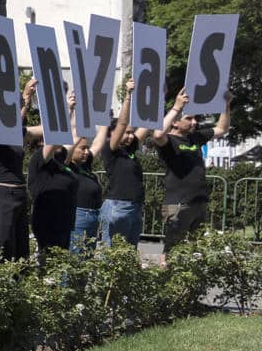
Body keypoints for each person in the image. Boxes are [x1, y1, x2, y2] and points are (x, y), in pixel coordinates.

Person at [150, 88, 234, 255]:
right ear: (175, 122)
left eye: (195, 118)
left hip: (199, 202)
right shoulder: (170, 142)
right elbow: (158, 135)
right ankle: (166, 276)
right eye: (189, 118)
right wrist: (176, 108)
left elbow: (222, 129)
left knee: (195, 250)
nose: (194, 122)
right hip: (177, 204)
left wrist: (226, 105)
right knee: (172, 250)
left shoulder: (195, 137)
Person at [0, 76, 39, 262]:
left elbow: (17, 124)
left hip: (18, 195)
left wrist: (26, 98)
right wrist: (24, 97)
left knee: (20, 252)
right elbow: (8, 126)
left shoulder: (10, 131)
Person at [96, 95, 148, 249]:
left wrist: (159, 96)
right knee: (112, 253)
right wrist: (128, 98)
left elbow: (148, 123)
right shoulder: (110, 150)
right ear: (113, 133)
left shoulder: (130, 150)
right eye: (127, 132)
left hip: (135, 207)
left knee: (129, 253)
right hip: (118, 207)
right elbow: (122, 123)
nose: (131, 136)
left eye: (132, 132)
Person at [28, 137, 75, 261]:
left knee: (60, 264)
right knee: (49, 264)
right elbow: (54, 137)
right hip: (48, 222)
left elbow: (74, 138)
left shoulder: (59, 160)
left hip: (63, 223)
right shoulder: (39, 159)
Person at [69, 130, 103, 253]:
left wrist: (104, 123)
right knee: (76, 256)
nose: (86, 152)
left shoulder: (85, 166)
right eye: (82, 148)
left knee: (87, 258)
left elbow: (98, 143)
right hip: (78, 217)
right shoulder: (67, 166)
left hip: (92, 217)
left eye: (87, 148)